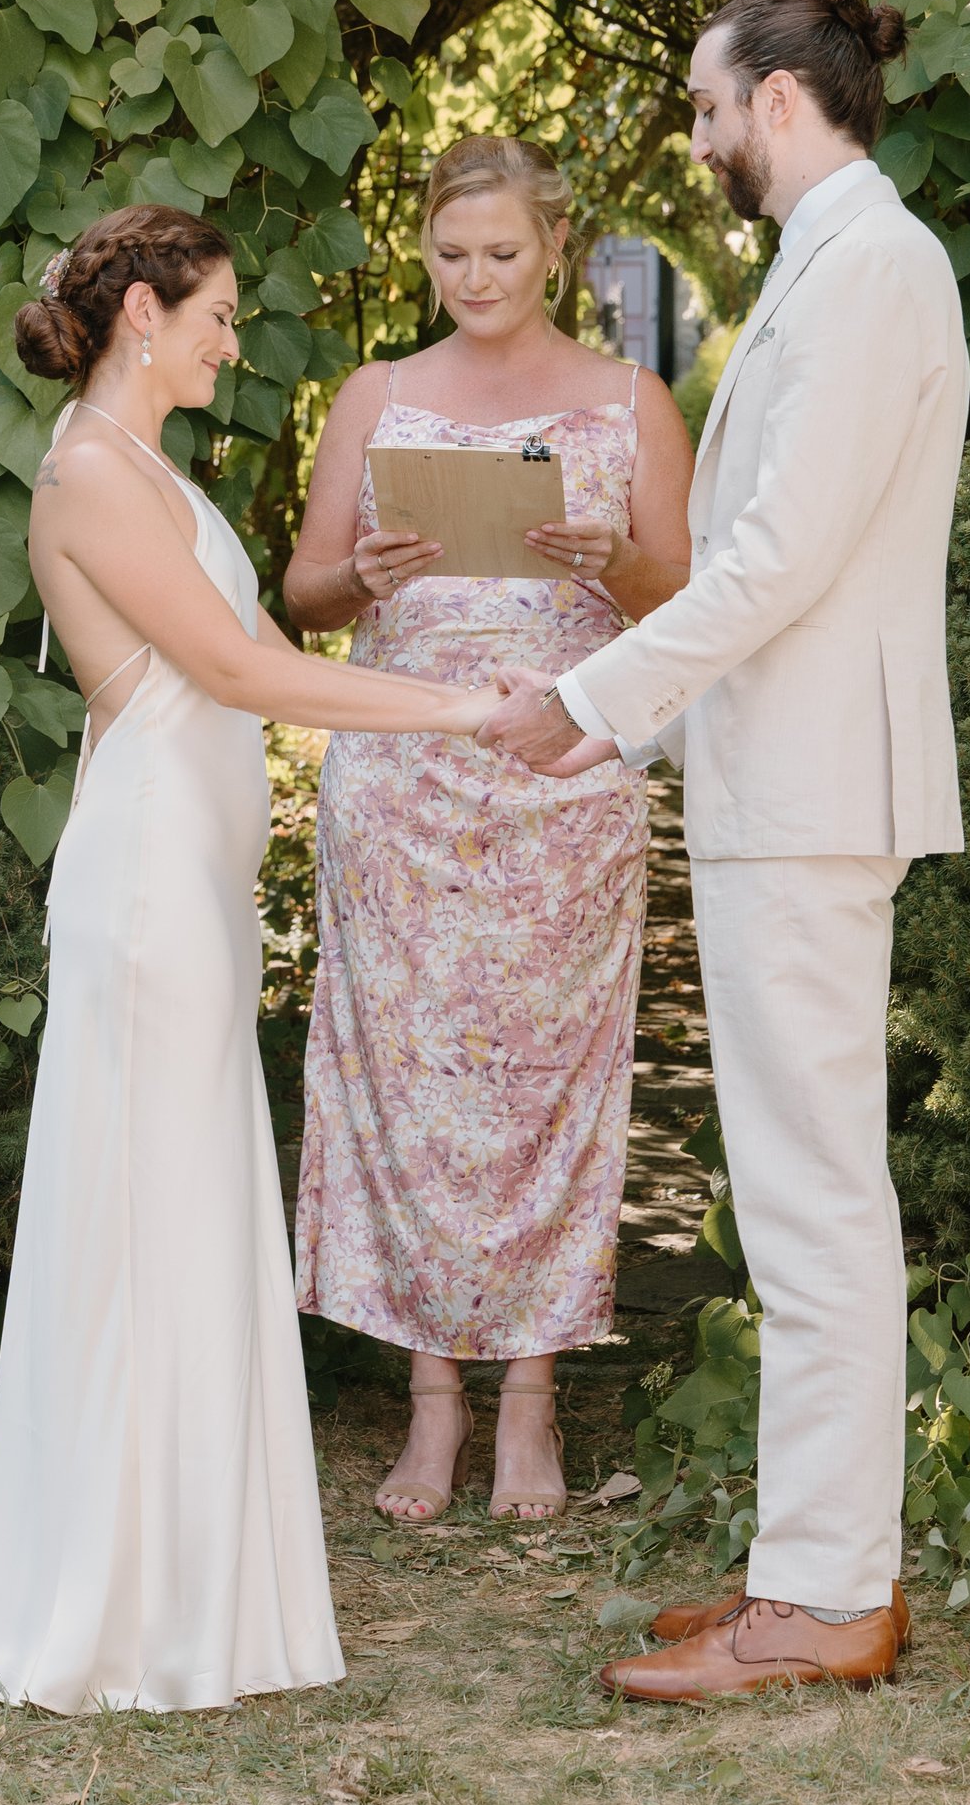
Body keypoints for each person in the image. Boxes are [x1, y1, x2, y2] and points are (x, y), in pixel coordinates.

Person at [0, 205, 510, 1720]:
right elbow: (241, 673)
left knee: (186, 1210)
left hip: (188, 875)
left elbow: (254, 646)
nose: (231, 341)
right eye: (217, 316)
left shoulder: (144, 467)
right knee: (146, 1218)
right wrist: (464, 712)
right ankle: (125, 1613)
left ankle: (195, 1594)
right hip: (141, 887)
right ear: (142, 311)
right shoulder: (83, 472)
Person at [481, 0, 967, 1703]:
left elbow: (773, 566)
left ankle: (832, 1599)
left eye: (706, 108)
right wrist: (641, 730)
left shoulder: (880, 269)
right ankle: (803, 1568)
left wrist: (596, 701)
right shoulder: (833, 269)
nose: (698, 141)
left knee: (819, 1195)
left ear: (776, 99)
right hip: (783, 780)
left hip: (821, 795)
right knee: (793, 1188)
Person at [282, 134, 695, 1524]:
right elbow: (305, 595)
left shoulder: (631, 399)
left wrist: (607, 557)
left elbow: (687, 607)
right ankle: (430, 1408)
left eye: (502, 253)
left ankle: (531, 1406)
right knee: (406, 1084)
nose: (475, 276)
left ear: (556, 251)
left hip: (564, 782)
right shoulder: (376, 394)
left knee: (542, 1091)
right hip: (402, 785)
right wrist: (364, 569)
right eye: (452, 254)